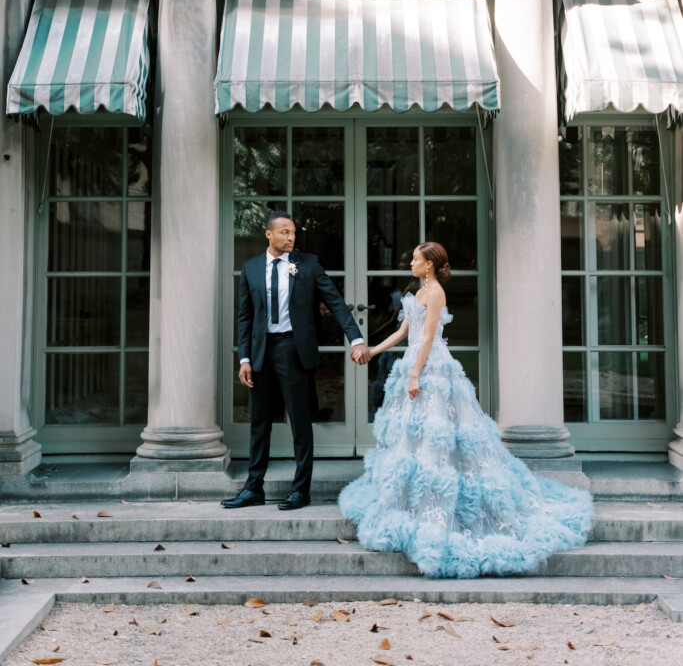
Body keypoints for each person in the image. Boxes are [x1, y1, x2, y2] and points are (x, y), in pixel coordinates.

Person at [339, 241, 594, 578]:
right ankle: (413, 500)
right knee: (411, 437)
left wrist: (415, 373)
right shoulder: (418, 291)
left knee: (439, 434)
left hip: (431, 369)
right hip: (413, 364)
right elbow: (404, 331)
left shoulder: (436, 294)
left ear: (429, 264)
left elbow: (428, 338)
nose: (410, 262)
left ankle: (441, 502)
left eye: (415, 258)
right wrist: (372, 350)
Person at [222, 212, 370, 511]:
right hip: (262, 351)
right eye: (285, 232)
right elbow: (246, 317)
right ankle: (253, 489)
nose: (291, 237)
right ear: (269, 235)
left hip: (293, 349)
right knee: (259, 424)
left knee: (300, 423)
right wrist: (245, 358)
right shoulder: (250, 268)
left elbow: (336, 302)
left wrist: (356, 338)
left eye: (293, 232)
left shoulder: (308, 264)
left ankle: (300, 490)